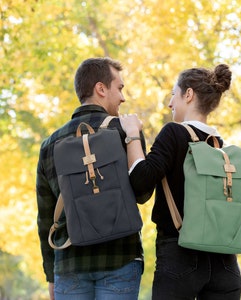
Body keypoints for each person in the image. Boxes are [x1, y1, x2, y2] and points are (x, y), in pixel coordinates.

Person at [120, 64, 241, 299]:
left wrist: (132, 134)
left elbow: (140, 182)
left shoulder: (174, 133)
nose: (170, 103)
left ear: (189, 94)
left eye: (173, 94)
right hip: (225, 263)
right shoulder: (218, 144)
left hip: (180, 256)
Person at [36, 57, 147, 300]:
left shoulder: (50, 145)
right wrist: (134, 138)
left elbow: (45, 219)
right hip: (121, 259)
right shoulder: (126, 131)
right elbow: (142, 193)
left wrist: (51, 277)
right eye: (120, 88)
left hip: (69, 265)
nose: (123, 97)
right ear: (101, 88)